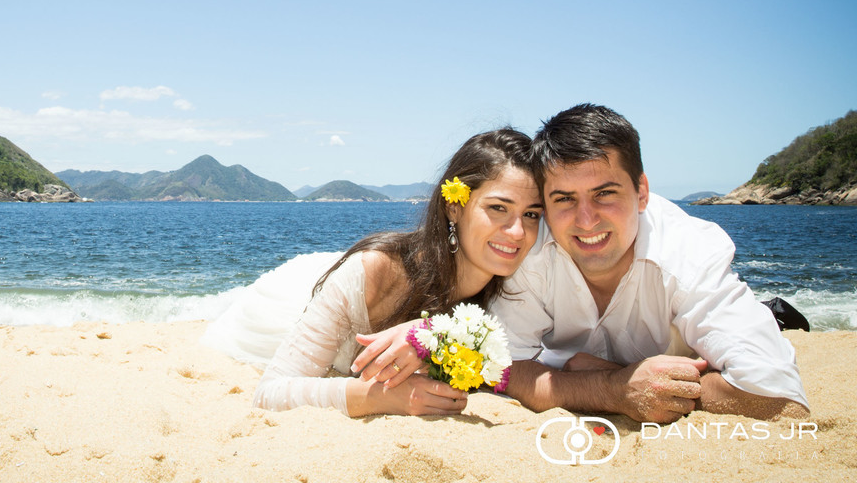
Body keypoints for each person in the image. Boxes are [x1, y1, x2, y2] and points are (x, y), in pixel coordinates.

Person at [493, 104, 810, 423]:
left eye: (605, 193)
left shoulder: (686, 252)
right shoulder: (529, 248)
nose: (586, 220)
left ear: (641, 192)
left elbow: (779, 399)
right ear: (545, 206)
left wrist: (625, 381)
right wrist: (613, 389)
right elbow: (503, 366)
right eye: (564, 198)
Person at [243, 128, 544, 417]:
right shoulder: (375, 274)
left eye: (531, 214)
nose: (518, 232)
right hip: (291, 304)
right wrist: (379, 396)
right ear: (453, 206)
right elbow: (268, 394)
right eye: (498, 208)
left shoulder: (518, 291)